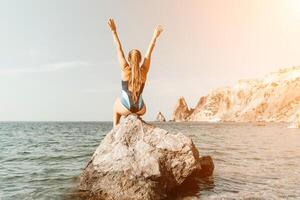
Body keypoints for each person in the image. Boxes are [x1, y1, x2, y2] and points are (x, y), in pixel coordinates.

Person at [108, 19, 163, 127]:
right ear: (140, 59)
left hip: (125, 107)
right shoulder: (144, 71)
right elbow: (149, 52)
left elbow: (119, 49)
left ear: (128, 58)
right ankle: (133, 117)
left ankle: (115, 129)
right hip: (140, 109)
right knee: (135, 101)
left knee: (115, 104)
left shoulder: (125, 69)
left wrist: (114, 31)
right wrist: (155, 36)